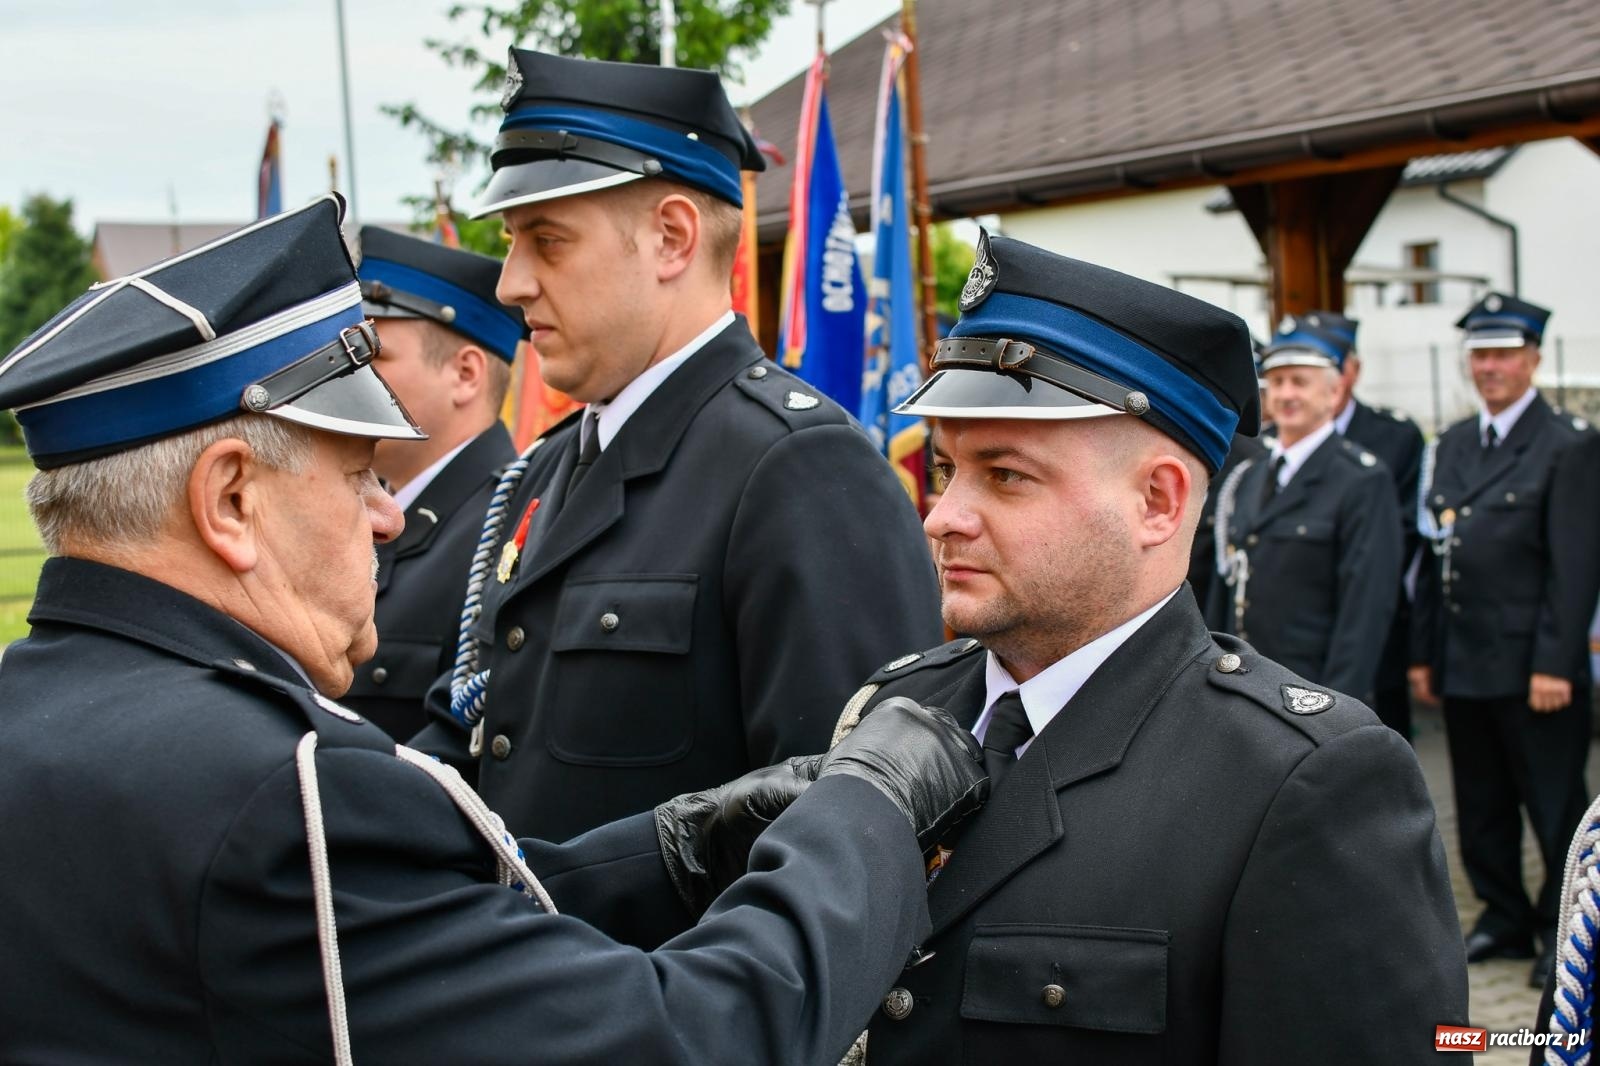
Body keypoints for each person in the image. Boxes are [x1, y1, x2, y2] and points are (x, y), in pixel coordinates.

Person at [0, 195, 989, 1064]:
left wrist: (670, 849)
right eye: (356, 475)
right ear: (229, 501)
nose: (387, 515)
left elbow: (399, 918)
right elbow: (683, 1040)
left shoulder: (35, 707)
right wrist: (867, 808)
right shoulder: (287, 791)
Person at [833, 233, 1466, 1064]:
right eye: (948, 470)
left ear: (1159, 503)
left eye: (1008, 475)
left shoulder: (1300, 780)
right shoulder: (895, 706)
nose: (943, 516)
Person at [412, 49, 942, 842]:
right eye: (512, 242)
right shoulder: (544, 469)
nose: (510, 282)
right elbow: (480, 730)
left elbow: (848, 839)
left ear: (670, 238)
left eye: (547, 241)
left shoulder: (800, 468)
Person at [1411, 292, 1600, 990]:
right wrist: (1425, 654)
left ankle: (1565, 930)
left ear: (1533, 359)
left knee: (1553, 806)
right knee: (1482, 801)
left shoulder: (1569, 443)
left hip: (1533, 666)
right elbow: (1434, 557)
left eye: (1503, 354)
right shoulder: (1455, 443)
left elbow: (1576, 564)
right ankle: (1502, 913)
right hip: (1464, 660)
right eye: (1480, 355)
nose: (1489, 367)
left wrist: (1557, 662)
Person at [340, 226, 524, 740]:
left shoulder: (509, 526)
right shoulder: (358, 511)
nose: (344, 378)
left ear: (465, 374)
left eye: (372, 356)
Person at [1209, 317, 1402, 702]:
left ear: (1333, 394)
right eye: (1277, 382)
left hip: (1313, 686)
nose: (1286, 394)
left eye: (1300, 382)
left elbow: (1365, 605)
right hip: (1248, 680)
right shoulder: (1249, 474)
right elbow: (1227, 584)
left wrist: (1341, 701)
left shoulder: (1361, 479)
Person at [1317, 310, 1426, 737]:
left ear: (1352, 371)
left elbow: (1402, 536)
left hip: (1377, 631)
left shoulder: (1392, 437)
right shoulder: (1273, 450)